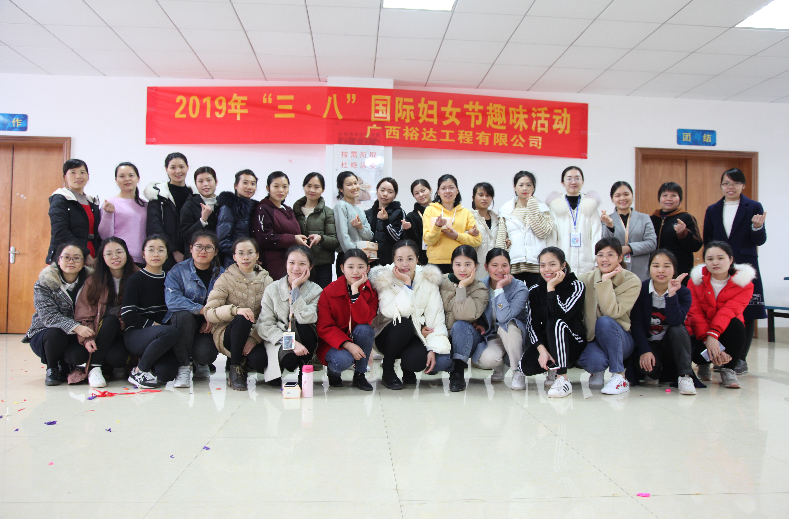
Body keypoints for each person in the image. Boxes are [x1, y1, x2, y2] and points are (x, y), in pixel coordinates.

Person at [703, 168, 767, 375]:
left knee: (746, 312)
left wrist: (757, 227)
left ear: (743, 185)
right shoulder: (713, 209)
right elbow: (708, 240)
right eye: (726, 183)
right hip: (720, 269)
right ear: (721, 186)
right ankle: (721, 357)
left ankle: (740, 359)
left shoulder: (753, 207)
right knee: (720, 311)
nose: (730, 187)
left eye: (735, 183)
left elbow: (760, 240)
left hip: (745, 267)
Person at [369, 240, 451, 390]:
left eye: (410, 258)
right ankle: (388, 369)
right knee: (403, 324)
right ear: (393, 260)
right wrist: (407, 284)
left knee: (417, 361)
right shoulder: (385, 277)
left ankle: (407, 369)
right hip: (387, 335)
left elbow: (436, 316)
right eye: (399, 259)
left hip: (415, 334)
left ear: (417, 259)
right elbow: (390, 312)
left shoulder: (428, 279)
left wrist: (432, 348)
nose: (404, 264)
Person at [204, 237, 273, 391]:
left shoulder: (267, 280)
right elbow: (210, 312)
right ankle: (235, 367)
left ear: (257, 255)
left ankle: (245, 363)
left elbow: (270, 316)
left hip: (254, 333)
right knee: (243, 317)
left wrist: (254, 339)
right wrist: (235, 310)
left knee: (259, 360)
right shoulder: (225, 278)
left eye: (250, 253)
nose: (245, 257)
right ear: (234, 257)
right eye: (241, 253)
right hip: (229, 333)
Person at [577, 237, 641, 395]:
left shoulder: (631, 281)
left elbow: (612, 313)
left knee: (605, 322)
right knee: (592, 362)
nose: (604, 259)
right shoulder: (585, 279)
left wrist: (605, 282)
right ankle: (598, 371)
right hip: (594, 338)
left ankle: (618, 375)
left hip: (621, 338)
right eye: (600, 255)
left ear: (620, 258)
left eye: (610, 255)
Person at [24, 241, 94, 385]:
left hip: (76, 335)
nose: (71, 261)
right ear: (58, 260)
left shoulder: (91, 282)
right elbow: (48, 317)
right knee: (55, 334)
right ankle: (52, 368)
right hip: (45, 334)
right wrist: (76, 327)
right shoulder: (44, 282)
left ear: (83, 262)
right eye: (66, 257)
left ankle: (65, 363)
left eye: (76, 258)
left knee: (78, 356)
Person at [687, 241, 755, 389]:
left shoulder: (744, 284)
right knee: (689, 335)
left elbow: (729, 311)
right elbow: (695, 313)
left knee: (736, 325)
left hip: (725, 332)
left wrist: (714, 335)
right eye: (710, 259)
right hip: (702, 334)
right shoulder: (695, 282)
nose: (715, 262)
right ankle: (703, 364)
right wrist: (708, 340)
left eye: (720, 258)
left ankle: (728, 369)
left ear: (730, 260)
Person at [520, 247, 586, 398]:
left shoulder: (576, 286)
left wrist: (551, 288)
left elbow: (561, 315)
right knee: (526, 367)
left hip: (572, 341)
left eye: (552, 264)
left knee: (555, 323)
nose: (546, 269)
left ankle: (562, 378)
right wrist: (542, 350)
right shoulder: (535, 290)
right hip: (550, 340)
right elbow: (532, 324)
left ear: (563, 265)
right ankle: (553, 365)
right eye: (542, 265)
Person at [73, 238, 139, 388]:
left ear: (126, 253)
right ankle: (95, 368)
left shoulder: (138, 276)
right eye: (109, 254)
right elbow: (84, 313)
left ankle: (111, 365)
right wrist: (88, 338)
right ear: (102, 258)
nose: (115, 257)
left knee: (117, 358)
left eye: (119, 252)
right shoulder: (94, 280)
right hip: (101, 330)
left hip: (126, 331)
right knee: (110, 321)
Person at [630, 249, 696, 395]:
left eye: (666, 266)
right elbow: (636, 323)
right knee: (646, 368)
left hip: (672, 345)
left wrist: (671, 295)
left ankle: (685, 376)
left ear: (674, 270)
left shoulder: (683, 292)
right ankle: (655, 373)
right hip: (650, 344)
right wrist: (645, 350)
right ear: (649, 268)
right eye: (656, 266)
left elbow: (675, 320)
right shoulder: (640, 289)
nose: (661, 270)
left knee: (678, 329)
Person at [164, 230, 223, 385]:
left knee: (206, 354)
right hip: (183, 324)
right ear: (191, 249)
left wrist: (213, 318)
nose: (203, 251)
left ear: (215, 251)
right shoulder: (178, 271)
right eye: (198, 247)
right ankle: (183, 367)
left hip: (207, 326)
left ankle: (201, 362)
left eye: (208, 247)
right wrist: (202, 310)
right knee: (183, 315)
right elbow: (173, 300)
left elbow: (226, 302)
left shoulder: (222, 274)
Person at [122, 235, 182, 388]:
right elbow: (127, 314)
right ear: (143, 254)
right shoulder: (135, 280)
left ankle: (147, 361)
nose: (156, 254)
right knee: (170, 332)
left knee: (167, 374)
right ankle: (139, 371)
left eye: (161, 250)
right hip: (137, 334)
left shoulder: (171, 278)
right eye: (151, 250)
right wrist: (154, 325)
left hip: (163, 335)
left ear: (167, 255)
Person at [257, 245, 321, 386]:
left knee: (305, 326)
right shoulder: (272, 289)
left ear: (310, 267)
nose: (296, 268)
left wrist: (295, 289)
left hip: (303, 339)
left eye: (302, 264)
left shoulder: (316, 290)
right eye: (291, 263)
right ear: (286, 264)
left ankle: (305, 369)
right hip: (279, 339)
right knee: (285, 362)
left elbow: (309, 317)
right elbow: (264, 326)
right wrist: (291, 343)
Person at [316, 249, 377, 391]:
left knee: (365, 329)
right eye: (350, 267)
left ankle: (360, 375)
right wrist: (347, 344)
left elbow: (364, 319)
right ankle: (334, 373)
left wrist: (355, 291)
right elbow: (324, 327)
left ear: (368, 269)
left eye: (360, 267)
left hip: (358, 337)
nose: (355, 272)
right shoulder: (328, 292)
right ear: (342, 268)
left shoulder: (371, 291)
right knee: (343, 360)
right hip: (333, 342)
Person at [472, 248, 529, 390]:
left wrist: (499, 288)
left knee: (507, 326)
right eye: (494, 265)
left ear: (510, 266)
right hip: (494, 335)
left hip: (516, 335)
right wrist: (478, 323)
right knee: (487, 359)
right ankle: (501, 366)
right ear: (486, 267)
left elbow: (504, 317)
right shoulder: (480, 285)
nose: (500, 270)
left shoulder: (520, 288)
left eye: (504, 265)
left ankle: (518, 370)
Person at [440, 245, 489, 392]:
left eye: (467, 264)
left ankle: (458, 373)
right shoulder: (441, 281)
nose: (462, 269)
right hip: (444, 337)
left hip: (467, 337)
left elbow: (463, 315)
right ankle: (448, 361)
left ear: (476, 266)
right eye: (458, 264)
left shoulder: (480, 288)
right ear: (452, 265)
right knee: (439, 363)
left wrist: (462, 287)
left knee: (460, 325)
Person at [496, 171, 554, 287]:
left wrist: (533, 208)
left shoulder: (543, 210)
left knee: (536, 296)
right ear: (514, 187)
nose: (525, 188)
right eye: (521, 185)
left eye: (528, 185)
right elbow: (501, 240)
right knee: (515, 295)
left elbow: (542, 232)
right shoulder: (506, 211)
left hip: (536, 263)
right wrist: (501, 263)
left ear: (533, 187)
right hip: (514, 263)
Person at [144, 152, 197, 270]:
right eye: (173, 167)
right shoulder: (158, 195)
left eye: (181, 167)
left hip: (193, 254)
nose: (178, 171)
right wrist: (174, 251)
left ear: (187, 168)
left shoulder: (195, 195)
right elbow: (155, 226)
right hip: (167, 254)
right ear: (166, 169)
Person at [422, 174, 482, 274]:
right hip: (436, 263)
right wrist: (437, 227)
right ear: (438, 192)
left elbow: (477, 241)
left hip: (460, 263)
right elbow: (428, 240)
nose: (447, 191)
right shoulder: (430, 210)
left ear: (457, 190)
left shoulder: (466, 212)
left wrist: (457, 236)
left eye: (451, 187)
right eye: (443, 188)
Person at [546, 166, 600, 275]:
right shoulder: (555, 206)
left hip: (587, 263)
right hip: (563, 264)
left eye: (577, 178)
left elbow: (596, 235)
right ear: (563, 183)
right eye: (569, 178)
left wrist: (597, 262)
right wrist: (552, 263)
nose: (573, 182)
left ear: (582, 181)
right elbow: (552, 238)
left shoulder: (591, 205)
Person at [46, 159, 101, 265]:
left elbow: (97, 233)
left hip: (91, 254)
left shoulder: (92, 201)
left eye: (82, 172)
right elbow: (60, 232)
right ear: (64, 177)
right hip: (68, 256)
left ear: (88, 176)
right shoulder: (60, 198)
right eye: (73, 172)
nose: (78, 176)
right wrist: (84, 253)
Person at [253, 171, 305, 280]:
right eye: (276, 186)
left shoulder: (287, 209)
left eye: (284, 187)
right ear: (268, 188)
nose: (281, 190)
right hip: (273, 263)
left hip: (290, 261)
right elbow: (264, 238)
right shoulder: (263, 208)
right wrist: (293, 239)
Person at [600, 181, 656, 281]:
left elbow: (652, 243)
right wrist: (609, 226)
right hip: (615, 271)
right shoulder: (606, 219)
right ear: (612, 199)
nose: (622, 198)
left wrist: (629, 248)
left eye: (626, 194)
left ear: (632, 195)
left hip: (641, 271)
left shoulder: (644, 218)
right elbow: (605, 245)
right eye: (618, 195)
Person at [650, 182, 703, 282]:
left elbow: (697, 245)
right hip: (656, 269)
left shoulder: (686, 218)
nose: (669, 199)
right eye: (665, 195)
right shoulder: (652, 219)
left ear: (680, 199)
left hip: (680, 269)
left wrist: (684, 233)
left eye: (673, 195)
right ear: (659, 198)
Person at [293, 172, 338, 288]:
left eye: (317, 187)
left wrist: (321, 238)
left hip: (322, 265)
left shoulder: (327, 212)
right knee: (297, 294)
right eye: (309, 186)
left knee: (322, 296)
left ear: (323, 189)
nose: (312, 190)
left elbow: (334, 241)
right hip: (299, 264)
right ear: (304, 187)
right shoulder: (293, 211)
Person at [98, 162, 147, 266]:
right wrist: (108, 214)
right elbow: (105, 236)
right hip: (118, 259)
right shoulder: (110, 203)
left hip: (143, 259)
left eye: (131, 175)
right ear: (116, 180)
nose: (127, 179)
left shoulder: (145, 205)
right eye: (122, 176)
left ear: (138, 178)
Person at [216, 169, 259, 268]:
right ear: (236, 185)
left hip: (251, 262)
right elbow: (222, 241)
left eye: (253, 184)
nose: (249, 187)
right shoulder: (228, 207)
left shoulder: (256, 208)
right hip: (234, 263)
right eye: (245, 183)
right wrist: (245, 255)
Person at [333, 171, 373, 275]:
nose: (354, 187)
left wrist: (360, 227)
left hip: (361, 256)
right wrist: (356, 255)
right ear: (341, 189)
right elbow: (343, 236)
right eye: (349, 184)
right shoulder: (341, 206)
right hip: (348, 257)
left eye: (355, 183)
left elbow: (369, 236)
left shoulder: (360, 210)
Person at [364, 177, 406, 266]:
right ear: (377, 191)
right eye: (382, 190)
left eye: (390, 192)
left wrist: (385, 221)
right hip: (370, 263)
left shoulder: (399, 212)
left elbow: (397, 238)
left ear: (395, 195)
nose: (385, 194)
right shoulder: (368, 213)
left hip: (390, 264)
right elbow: (364, 238)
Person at [179, 166, 220, 256]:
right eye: (200, 181)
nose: (205, 184)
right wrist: (203, 220)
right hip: (196, 257)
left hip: (218, 256)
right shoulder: (189, 205)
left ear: (216, 181)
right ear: (196, 184)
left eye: (209, 180)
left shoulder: (222, 204)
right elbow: (184, 236)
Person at [470, 182, 499, 280]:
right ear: (473, 197)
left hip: (495, 267)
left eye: (488, 195)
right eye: (481, 195)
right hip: (476, 267)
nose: (484, 198)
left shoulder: (497, 219)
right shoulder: (468, 217)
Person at [403, 179, 432, 265]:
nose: (421, 195)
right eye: (416, 193)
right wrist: (408, 230)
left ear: (430, 190)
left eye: (423, 191)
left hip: (443, 257)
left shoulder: (441, 211)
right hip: (423, 260)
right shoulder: (411, 216)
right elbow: (411, 243)